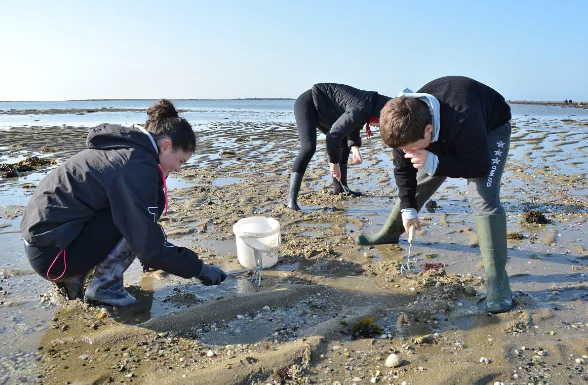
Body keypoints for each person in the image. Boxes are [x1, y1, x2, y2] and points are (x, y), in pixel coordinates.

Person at [21, 99, 227, 306]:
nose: (179, 169)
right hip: (55, 259)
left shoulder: (124, 151)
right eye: (181, 161)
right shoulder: (136, 165)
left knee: (134, 212)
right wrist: (199, 269)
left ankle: (77, 277)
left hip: (45, 248)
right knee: (134, 219)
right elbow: (147, 244)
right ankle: (104, 286)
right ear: (166, 146)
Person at [356, 76, 513, 313]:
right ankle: (389, 232)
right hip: (442, 133)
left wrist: (434, 162)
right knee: (420, 181)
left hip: (489, 128)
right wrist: (409, 209)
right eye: (402, 149)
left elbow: (479, 166)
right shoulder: (402, 125)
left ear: (428, 129)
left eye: (410, 147)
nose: (405, 152)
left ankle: (498, 283)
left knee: (483, 197)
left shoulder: (465, 116)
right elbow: (403, 170)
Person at [286, 84, 391, 210]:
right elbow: (332, 136)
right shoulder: (363, 108)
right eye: (380, 126)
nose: (377, 127)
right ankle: (291, 201)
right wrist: (334, 163)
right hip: (309, 103)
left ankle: (340, 189)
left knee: (343, 143)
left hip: (327, 109)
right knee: (308, 147)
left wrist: (355, 147)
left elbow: (353, 124)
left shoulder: (371, 104)